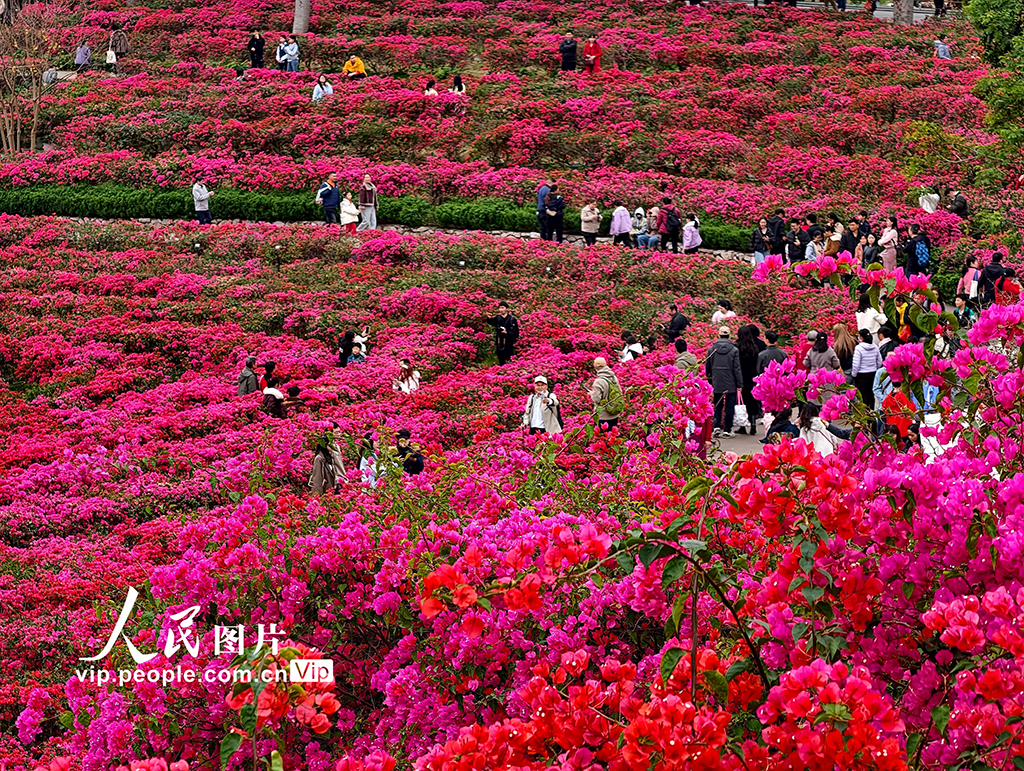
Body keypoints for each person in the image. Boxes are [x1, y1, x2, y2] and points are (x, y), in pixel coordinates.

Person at [706, 326, 743, 438]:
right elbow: (737, 368)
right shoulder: (734, 350)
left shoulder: (711, 349)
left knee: (717, 404)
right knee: (729, 406)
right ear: (729, 336)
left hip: (717, 380)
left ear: (719, 335)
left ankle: (716, 427)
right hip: (730, 381)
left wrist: (710, 380)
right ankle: (727, 429)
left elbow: (708, 366)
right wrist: (739, 383)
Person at [736, 325, 766, 435]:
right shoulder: (755, 347)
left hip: (741, 377)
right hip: (753, 377)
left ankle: (743, 426)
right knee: (752, 400)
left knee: (742, 402)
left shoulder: (737, 347)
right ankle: (753, 424)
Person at [587, 357, 623, 432]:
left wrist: (592, 394)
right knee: (612, 438)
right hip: (614, 414)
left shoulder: (598, 381)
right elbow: (620, 392)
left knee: (602, 439)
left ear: (596, 368)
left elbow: (597, 399)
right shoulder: (614, 377)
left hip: (603, 416)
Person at [851, 329, 883, 409]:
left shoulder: (859, 348)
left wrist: (854, 374)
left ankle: (865, 414)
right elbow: (879, 361)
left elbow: (856, 364)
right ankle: (872, 412)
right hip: (872, 373)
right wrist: (876, 369)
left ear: (861, 337)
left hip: (861, 375)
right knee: (871, 395)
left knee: (863, 396)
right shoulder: (875, 347)